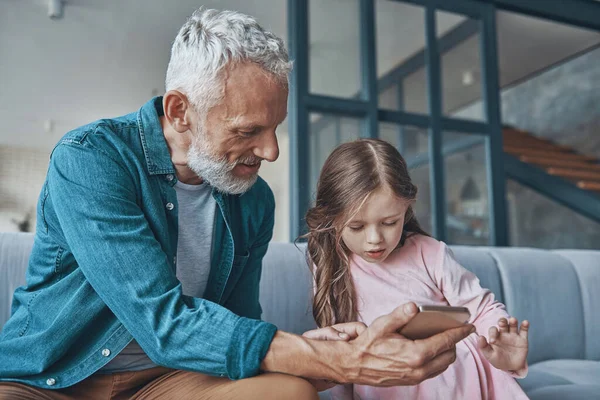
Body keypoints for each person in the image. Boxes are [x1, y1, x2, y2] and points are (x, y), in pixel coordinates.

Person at [0, 8, 474, 400]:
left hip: (168, 377)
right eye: (248, 130)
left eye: (275, 129)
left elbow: (238, 325)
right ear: (180, 112)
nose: (271, 152)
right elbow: (160, 322)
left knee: (291, 393)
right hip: (51, 379)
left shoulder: (253, 200)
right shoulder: (91, 160)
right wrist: (326, 359)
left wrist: (313, 350)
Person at [304, 138, 530, 399]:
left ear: (406, 207)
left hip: (455, 378)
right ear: (331, 219)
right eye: (357, 227)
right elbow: (341, 360)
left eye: (389, 222)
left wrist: (499, 341)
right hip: (384, 384)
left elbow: (481, 309)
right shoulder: (330, 269)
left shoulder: (430, 253)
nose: (375, 239)